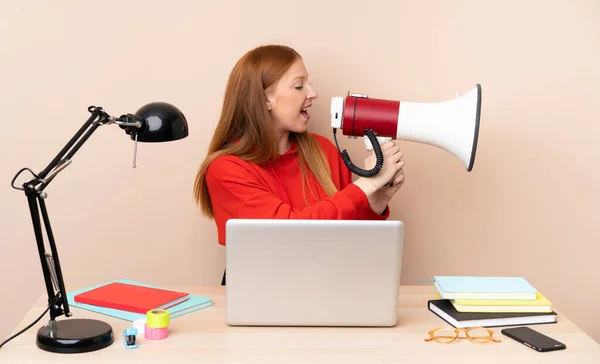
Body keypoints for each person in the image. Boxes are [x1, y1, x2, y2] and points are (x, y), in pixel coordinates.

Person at [193, 44, 405, 250]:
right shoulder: (226, 169)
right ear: (265, 98)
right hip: (264, 285)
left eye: (309, 83)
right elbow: (289, 234)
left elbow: (349, 239)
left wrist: (377, 198)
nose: (313, 93)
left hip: (328, 280)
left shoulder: (323, 151)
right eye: (299, 86)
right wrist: (367, 184)